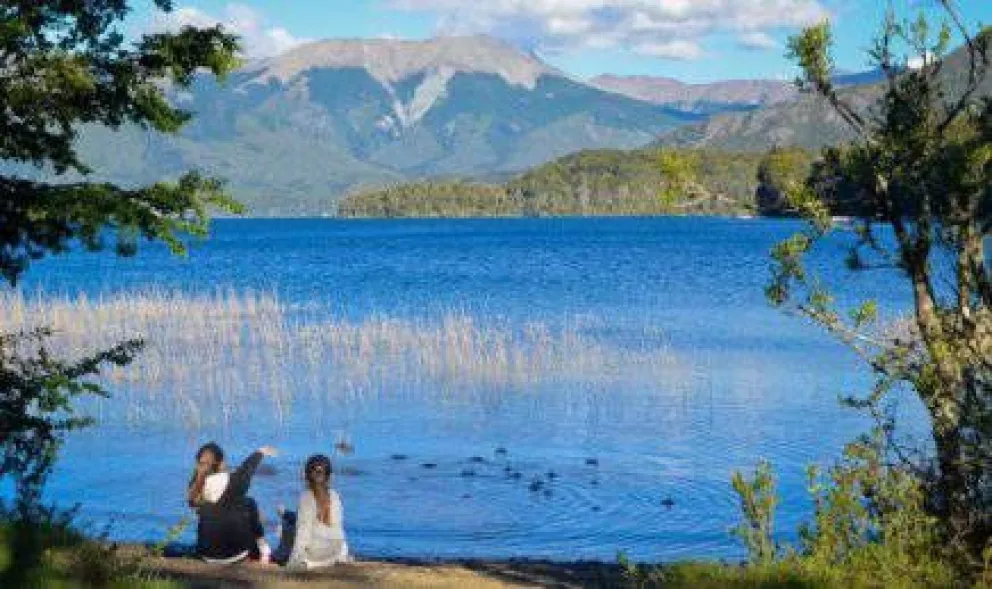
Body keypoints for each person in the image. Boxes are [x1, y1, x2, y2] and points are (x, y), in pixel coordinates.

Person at [187, 442, 277, 564]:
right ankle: (264, 551)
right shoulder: (235, 481)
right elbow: (247, 468)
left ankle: (263, 550)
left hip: (206, 554)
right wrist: (261, 452)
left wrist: (259, 452)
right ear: (221, 463)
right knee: (249, 503)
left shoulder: (196, 486)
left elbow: (246, 468)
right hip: (234, 554)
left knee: (234, 508)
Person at [284, 454, 350, 570]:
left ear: (305, 475)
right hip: (336, 550)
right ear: (330, 476)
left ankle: (306, 562)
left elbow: (303, 532)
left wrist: (293, 561)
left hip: (316, 556)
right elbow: (339, 528)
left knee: (289, 526)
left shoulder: (306, 497)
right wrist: (342, 554)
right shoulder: (335, 495)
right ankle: (340, 558)